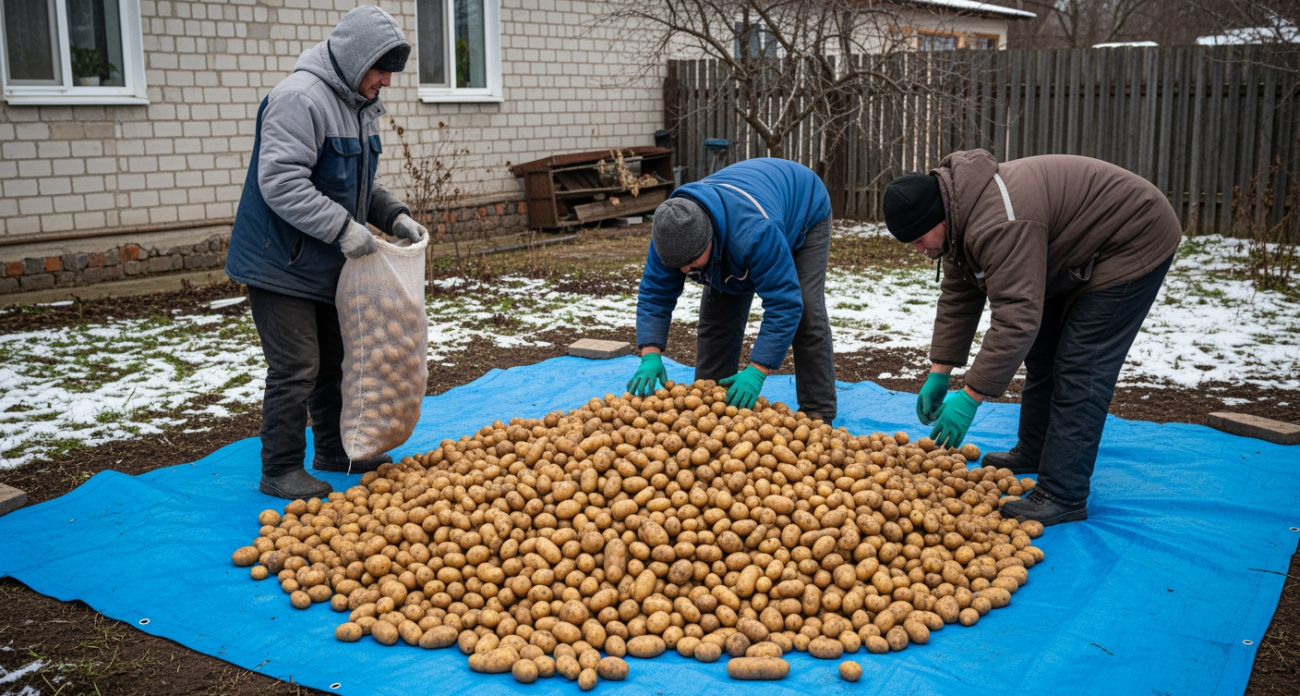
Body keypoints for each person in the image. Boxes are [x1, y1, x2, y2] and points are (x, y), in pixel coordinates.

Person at [882, 151, 1181, 526]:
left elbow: (1016, 318)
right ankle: (1037, 449)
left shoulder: (998, 221)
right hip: (1065, 247)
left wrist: (971, 396)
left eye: (919, 238)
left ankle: (1063, 493)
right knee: (1043, 353)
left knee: (1080, 365)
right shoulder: (958, 215)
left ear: (937, 218)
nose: (919, 249)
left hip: (1131, 236)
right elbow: (960, 295)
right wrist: (940, 371)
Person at [225, 6, 427, 500]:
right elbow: (280, 182)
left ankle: (336, 449)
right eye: (382, 70)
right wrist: (343, 228)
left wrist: (393, 215)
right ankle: (280, 468)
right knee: (296, 367)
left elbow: (359, 183)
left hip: (325, 261)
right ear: (358, 61)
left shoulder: (357, 106)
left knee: (337, 359)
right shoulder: (300, 99)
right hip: (281, 261)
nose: (387, 82)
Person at [629, 158, 836, 423]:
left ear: (710, 240)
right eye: (677, 265)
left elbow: (784, 303)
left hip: (804, 206)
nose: (684, 271)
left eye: (691, 263)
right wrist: (650, 354)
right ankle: (712, 397)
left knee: (806, 309)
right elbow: (655, 294)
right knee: (719, 312)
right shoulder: (669, 236)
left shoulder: (756, 235)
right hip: (746, 208)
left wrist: (757, 370)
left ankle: (818, 410)